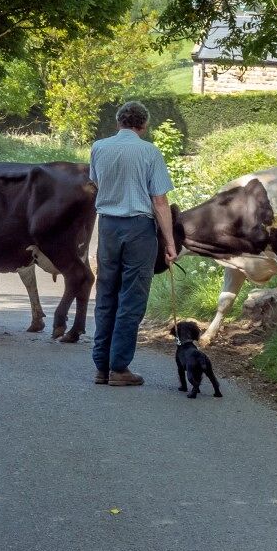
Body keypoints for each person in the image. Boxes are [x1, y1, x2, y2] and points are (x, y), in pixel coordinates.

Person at [89, 101, 177, 387]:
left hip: (108, 227)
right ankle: (119, 366)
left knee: (106, 293)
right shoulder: (150, 152)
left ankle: (101, 366)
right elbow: (160, 201)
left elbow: (97, 184)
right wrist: (170, 242)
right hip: (139, 228)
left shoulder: (99, 148)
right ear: (144, 125)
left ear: (118, 123)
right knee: (132, 296)